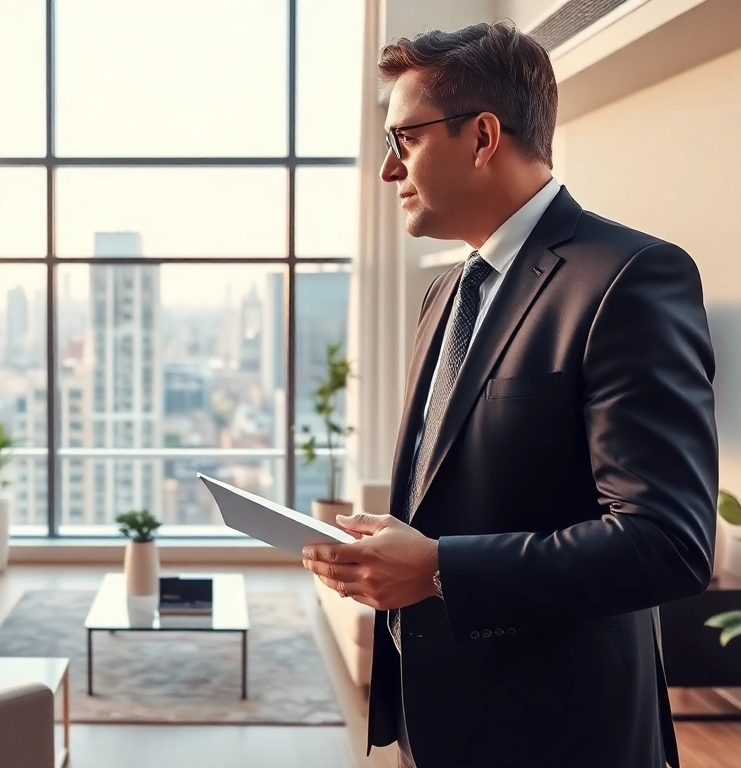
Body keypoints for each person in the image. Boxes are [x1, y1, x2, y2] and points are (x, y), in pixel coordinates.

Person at [300, 21, 718, 768]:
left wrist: (436, 567)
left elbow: (667, 542)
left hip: (561, 732)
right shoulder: (444, 294)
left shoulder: (629, 278)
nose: (389, 172)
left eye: (405, 140)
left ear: (483, 136)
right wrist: (388, 553)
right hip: (440, 723)